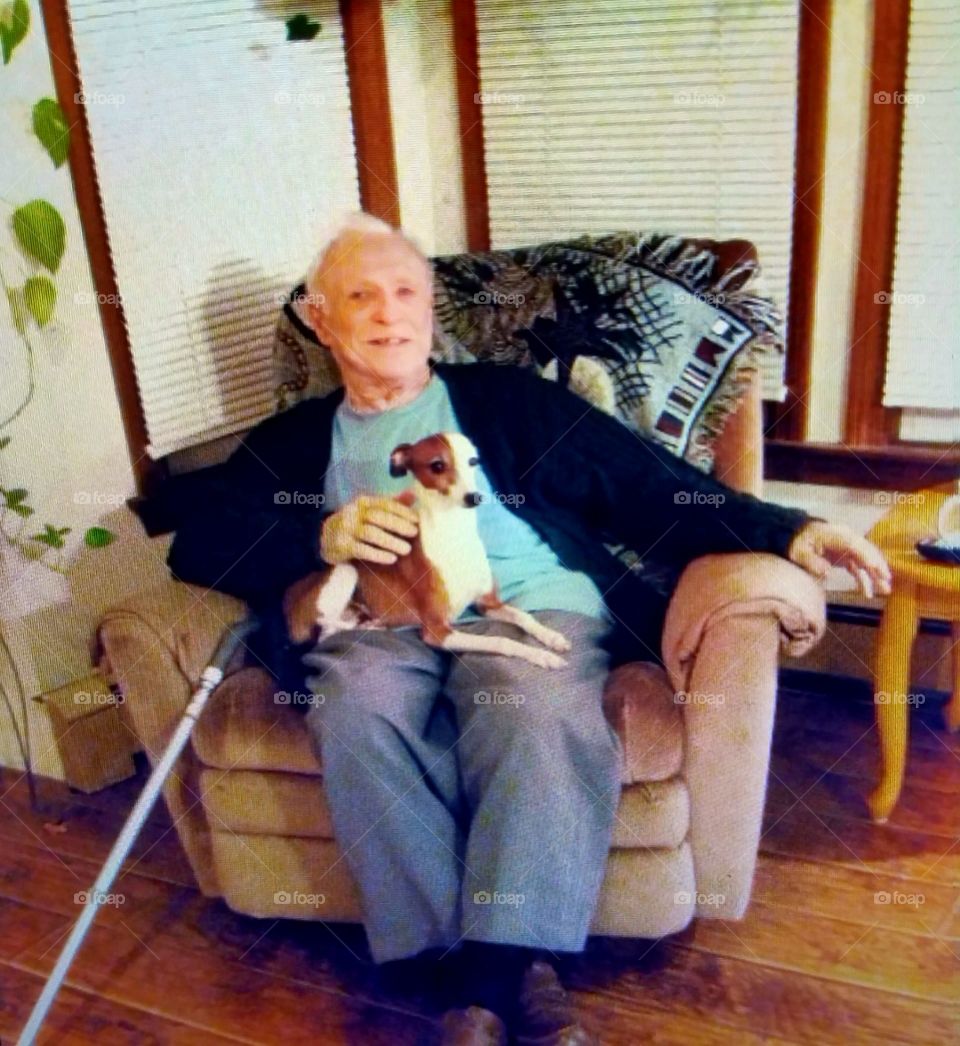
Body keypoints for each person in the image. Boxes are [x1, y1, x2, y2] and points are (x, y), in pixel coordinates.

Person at [167, 213, 891, 1045]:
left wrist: (787, 530)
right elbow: (199, 540)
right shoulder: (294, 439)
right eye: (360, 295)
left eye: (406, 292)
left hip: (529, 601)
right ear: (321, 319)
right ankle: (456, 961)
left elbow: (646, 485)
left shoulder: (505, 405)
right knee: (355, 707)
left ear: (430, 310)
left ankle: (495, 972)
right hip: (382, 619)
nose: (388, 312)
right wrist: (315, 534)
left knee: (527, 700)